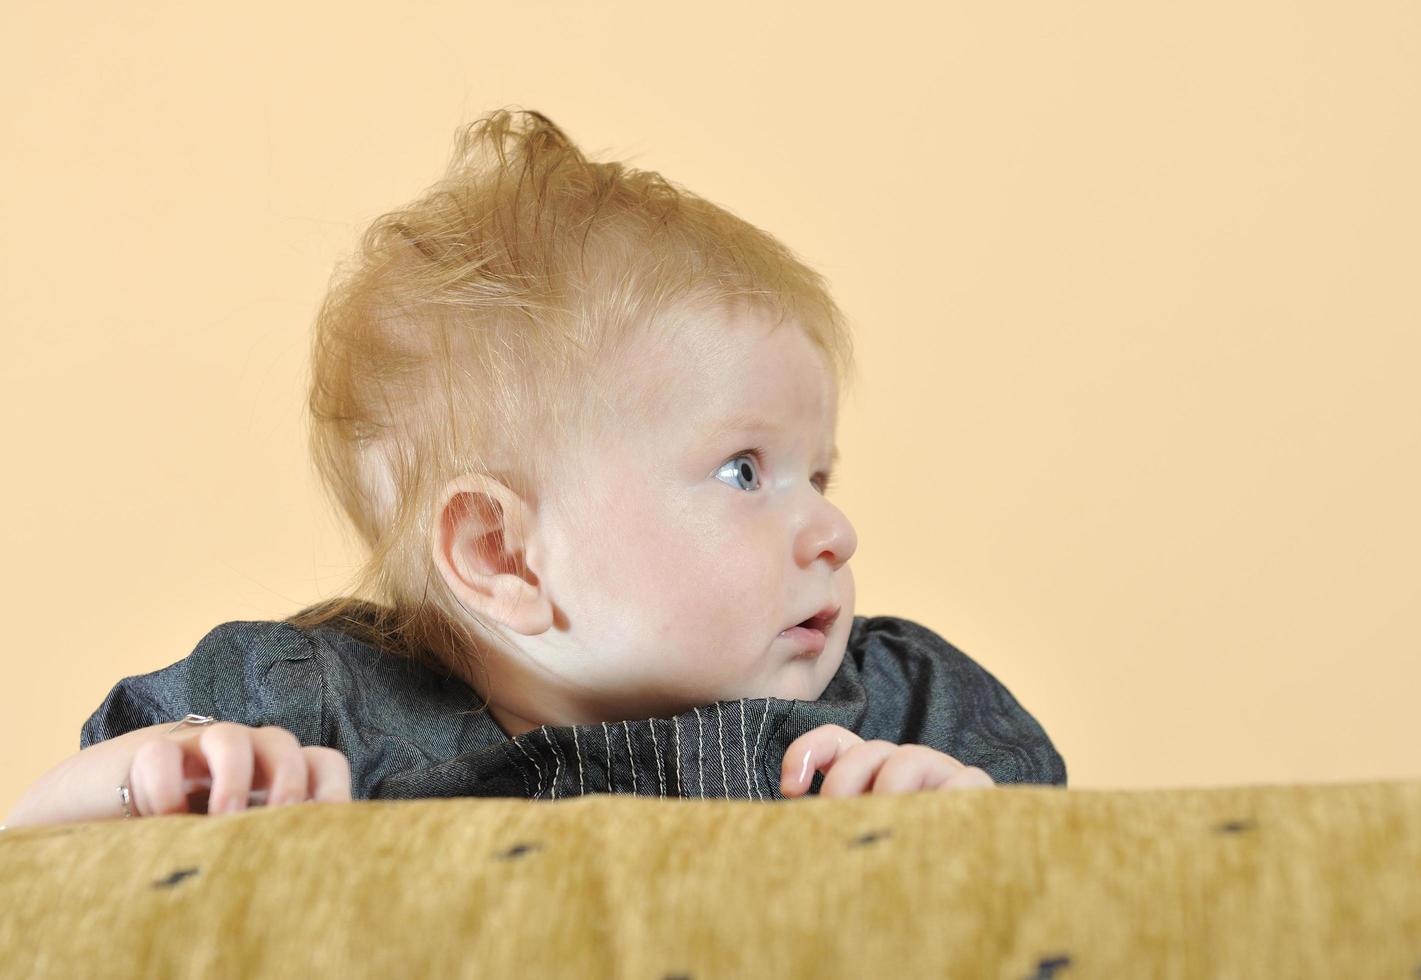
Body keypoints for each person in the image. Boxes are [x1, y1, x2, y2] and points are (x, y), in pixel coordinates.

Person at [3, 108, 1066, 830]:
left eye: (819, 477)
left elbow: (1082, 868)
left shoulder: (890, 704)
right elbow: (29, 849)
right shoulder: (316, 703)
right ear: (504, 552)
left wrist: (961, 814)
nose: (833, 532)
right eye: (746, 470)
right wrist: (158, 782)